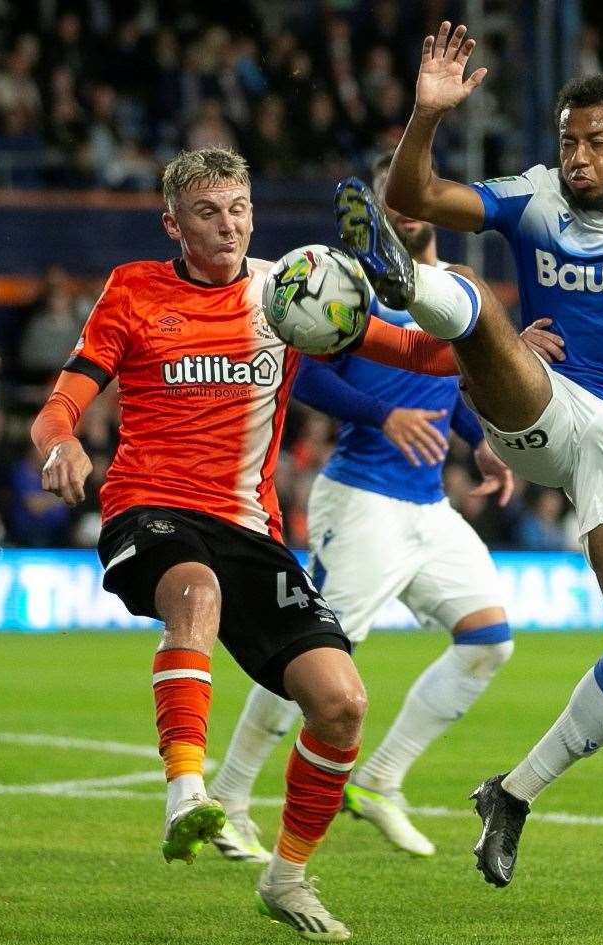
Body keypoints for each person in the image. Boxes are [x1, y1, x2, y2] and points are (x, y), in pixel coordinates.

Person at [335, 22, 603, 887]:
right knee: (471, 299)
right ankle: (414, 287)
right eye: (568, 140)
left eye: (596, 141)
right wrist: (425, 115)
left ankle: (515, 793)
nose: (576, 156)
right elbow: (414, 193)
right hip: (547, 403)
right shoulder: (531, 197)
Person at [31, 146, 461, 943]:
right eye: (206, 212)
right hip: (149, 509)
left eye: (237, 208)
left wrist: (492, 340)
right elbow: (62, 402)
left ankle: (288, 878)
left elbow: (410, 352)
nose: (226, 225)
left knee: (341, 705)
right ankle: (188, 795)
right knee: (195, 594)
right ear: (173, 224)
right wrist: (61, 443)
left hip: (251, 530)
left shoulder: (288, 288)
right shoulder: (133, 290)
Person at [208, 153, 523, 863]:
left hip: (426, 507)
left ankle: (380, 779)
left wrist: (481, 441)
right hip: (362, 502)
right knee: (313, 662)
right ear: (375, 211)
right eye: (393, 201)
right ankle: (228, 799)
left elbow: (454, 384)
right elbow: (306, 372)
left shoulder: (450, 290)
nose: (407, 211)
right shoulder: (350, 288)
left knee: (488, 641)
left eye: (415, 199)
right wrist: (382, 417)